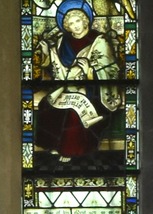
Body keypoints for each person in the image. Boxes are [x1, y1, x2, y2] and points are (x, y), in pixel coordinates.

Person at [32, 0, 121, 165]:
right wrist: (46, 54)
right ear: (67, 26)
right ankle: (55, 144)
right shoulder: (61, 42)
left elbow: (111, 70)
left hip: (93, 89)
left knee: (74, 111)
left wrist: (90, 71)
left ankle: (72, 150)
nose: (76, 26)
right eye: (71, 24)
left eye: (78, 21)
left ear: (85, 20)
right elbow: (55, 70)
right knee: (47, 104)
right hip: (66, 87)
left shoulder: (99, 41)